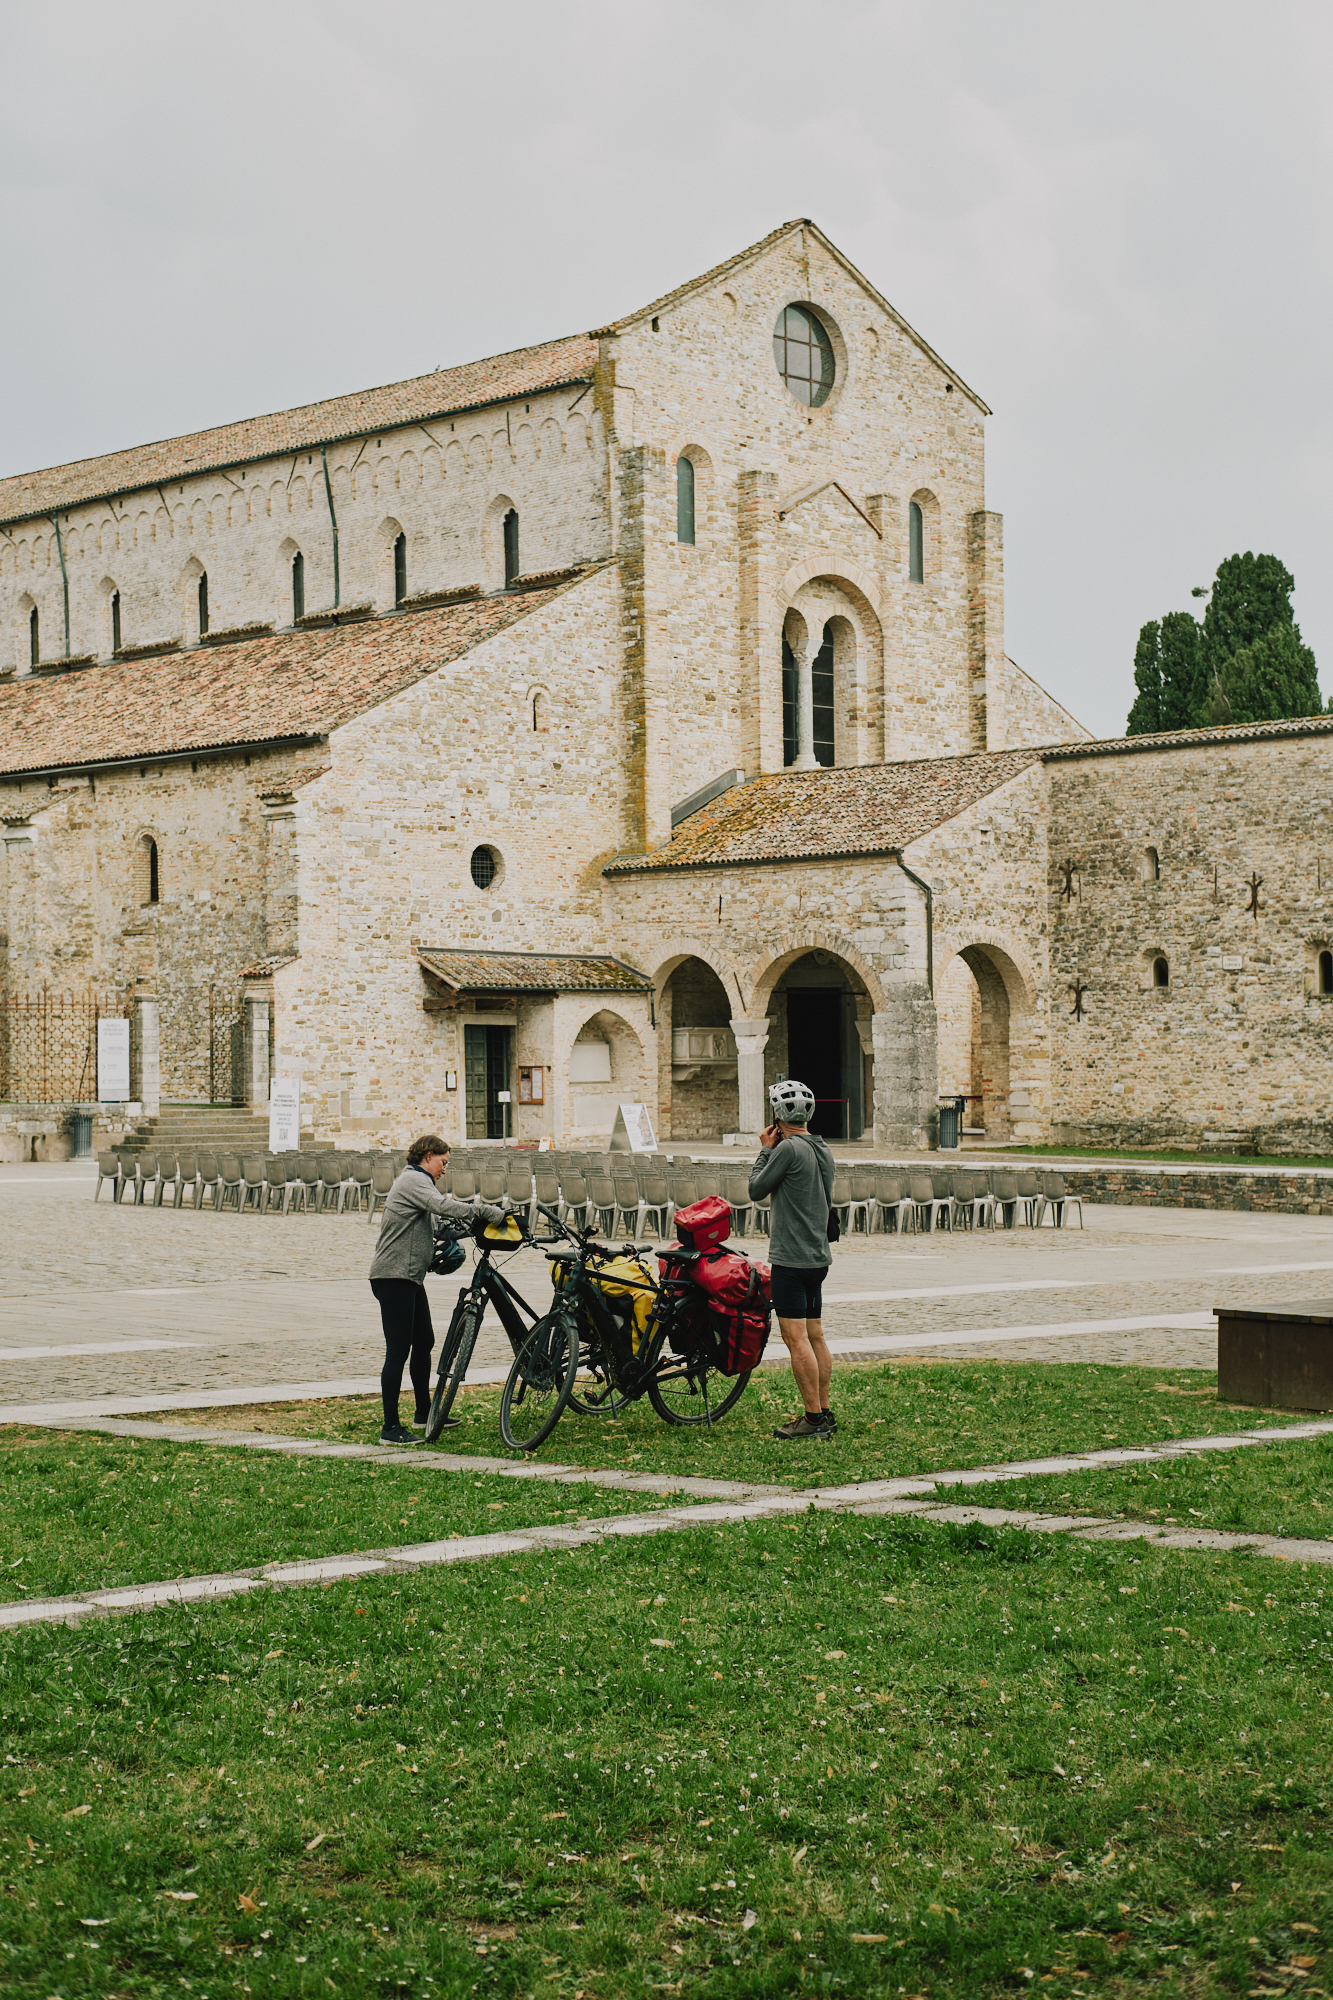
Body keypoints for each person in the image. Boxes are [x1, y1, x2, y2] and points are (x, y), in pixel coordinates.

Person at [368, 1135, 506, 1444]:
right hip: (393, 1276)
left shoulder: (420, 1184)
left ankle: (423, 1412)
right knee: (398, 1350)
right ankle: (390, 1428)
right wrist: (485, 1211)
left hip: (408, 1277)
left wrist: (475, 1229)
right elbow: (443, 1206)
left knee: (424, 1341)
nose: (445, 1169)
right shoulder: (413, 1181)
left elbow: (439, 1228)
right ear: (428, 1155)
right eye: (443, 1162)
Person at [747, 1079, 837, 1440]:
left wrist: (765, 1150)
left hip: (791, 1259)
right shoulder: (822, 1147)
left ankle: (813, 1420)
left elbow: (756, 1189)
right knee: (815, 1335)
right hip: (817, 1257)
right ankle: (825, 1411)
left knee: (795, 1338)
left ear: (776, 1114)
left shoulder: (787, 1149)